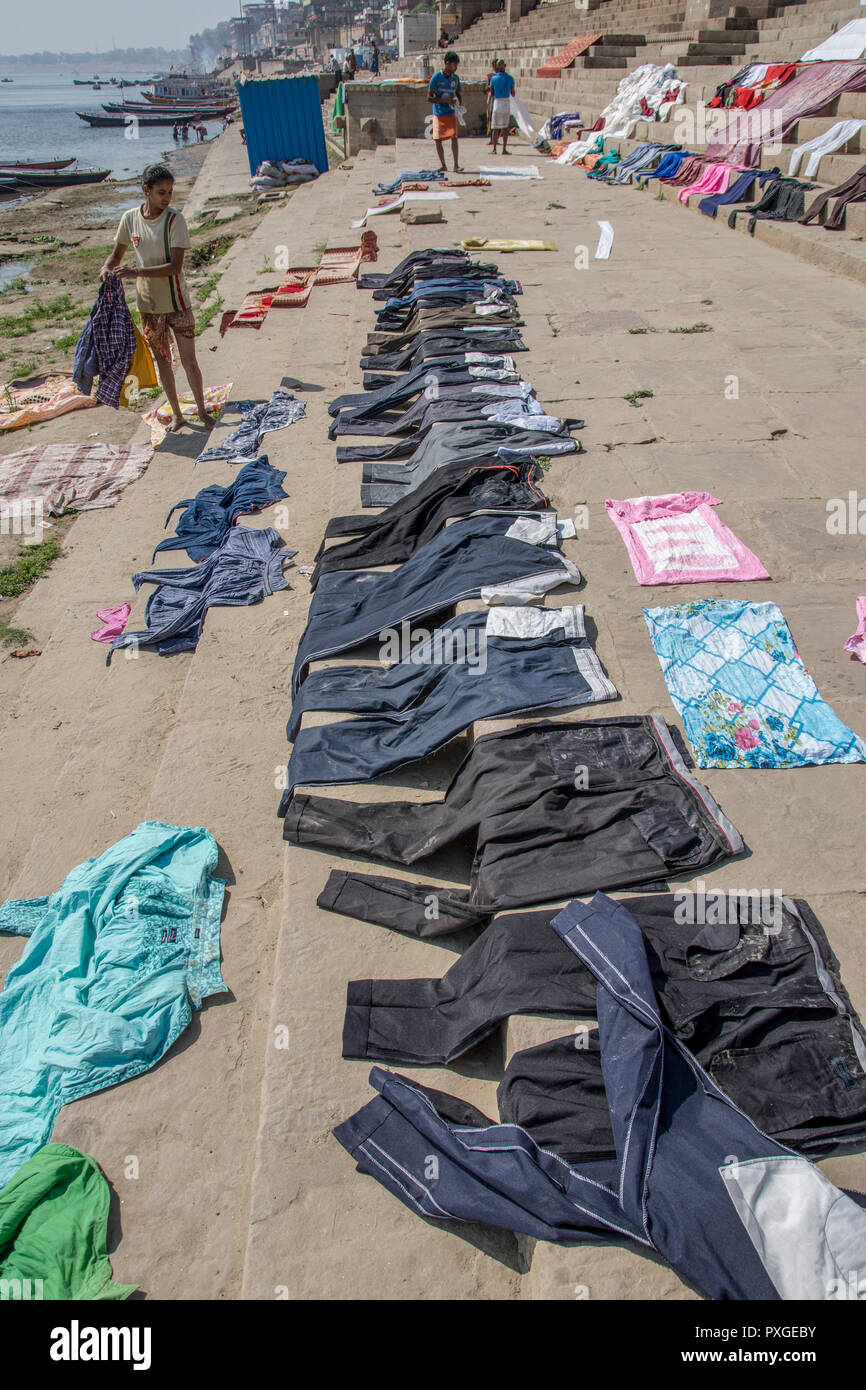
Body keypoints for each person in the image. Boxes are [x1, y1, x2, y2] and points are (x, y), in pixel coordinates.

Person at [99, 163, 214, 433]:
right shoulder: (130, 219)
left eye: (170, 192)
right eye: (161, 192)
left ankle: (202, 411)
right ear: (146, 191)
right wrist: (106, 268)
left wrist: (134, 271)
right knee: (164, 362)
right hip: (149, 306)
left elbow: (175, 266)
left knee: (189, 361)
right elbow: (116, 254)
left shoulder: (175, 221)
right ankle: (177, 414)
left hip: (177, 303)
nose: (167, 197)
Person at [428, 51, 463, 174]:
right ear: (447, 63)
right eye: (454, 65)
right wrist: (444, 100)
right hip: (439, 112)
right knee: (438, 139)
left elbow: (458, 94)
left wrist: (459, 104)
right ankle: (443, 165)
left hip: (451, 112)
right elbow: (429, 98)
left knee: (454, 137)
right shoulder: (436, 78)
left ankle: (456, 165)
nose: (456, 68)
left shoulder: (456, 79)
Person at [490, 58, 515, 155]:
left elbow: (492, 93)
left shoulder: (493, 79)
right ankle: (504, 149)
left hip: (497, 102)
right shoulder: (510, 78)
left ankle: (494, 149)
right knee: (505, 128)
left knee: (495, 128)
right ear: (504, 66)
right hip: (506, 103)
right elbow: (513, 93)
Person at [485, 57, 499, 145]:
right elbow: (486, 88)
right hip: (491, 98)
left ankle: (496, 139)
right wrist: (490, 87)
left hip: (498, 99)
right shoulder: (490, 76)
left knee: (497, 120)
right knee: (490, 118)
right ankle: (491, 138)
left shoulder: (502, 75)